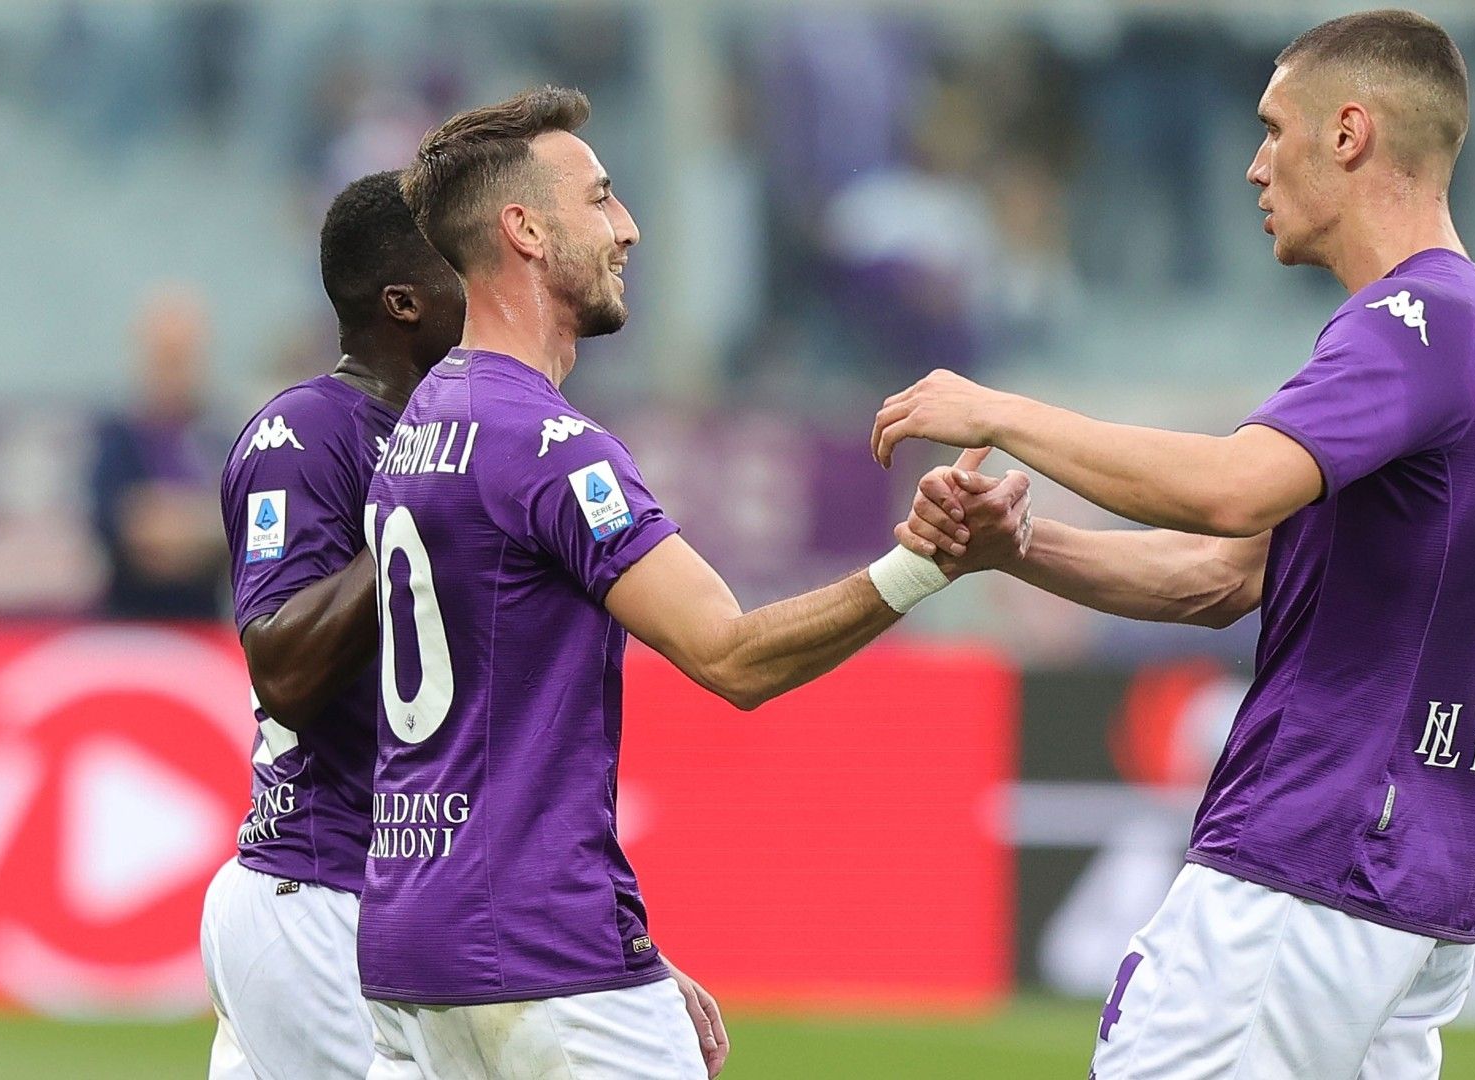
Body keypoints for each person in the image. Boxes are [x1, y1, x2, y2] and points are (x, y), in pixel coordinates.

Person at [878, 11, 1475, 1079]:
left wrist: (1001, 412)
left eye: (1274, 128)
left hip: (1314, 848)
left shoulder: (1417, 320)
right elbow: (1224, 581)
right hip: (1407, 874)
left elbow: (1234, 495)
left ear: (1350, 134)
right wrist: (1019, 548)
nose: (1252, 165)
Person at [358, 87, 1033, 1079]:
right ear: (525, 230)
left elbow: (484, 740)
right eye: (600, 198)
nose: (627, 227)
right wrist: (922, 562)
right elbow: (731, 655)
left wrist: (627, 946)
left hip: (417, 948)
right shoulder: (549, 447)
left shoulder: (420, 428)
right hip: (543, 957)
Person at [201, 171, 727, 1079]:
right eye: (460, 271)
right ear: (403, 303)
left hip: (415, 898)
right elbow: (279, 668)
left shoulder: (471, 439)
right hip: (320, 880)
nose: (490, 287)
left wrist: (620, 965)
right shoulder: (306, 434)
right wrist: (423, 519)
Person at [89, 286, 228, 620]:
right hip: (129, 622)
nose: (174, 371)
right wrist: (198, 523)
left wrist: (175, 523)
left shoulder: (222, 438)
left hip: (205, 625)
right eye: (165, 358)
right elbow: (121, 525)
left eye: (182, 358)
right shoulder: (117, 440)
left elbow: (238, 526)